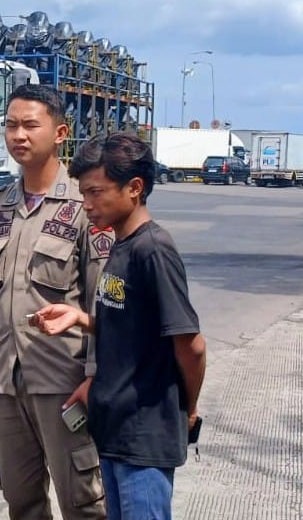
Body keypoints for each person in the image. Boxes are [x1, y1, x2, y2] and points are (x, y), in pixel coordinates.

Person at [32, 133, 207, 520]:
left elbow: (190, 344)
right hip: (113, 429)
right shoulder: (120, 244)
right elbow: (133, 326)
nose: (87, 205)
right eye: (83, 193)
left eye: (96, 192)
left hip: (144, 435)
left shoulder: (153, 250)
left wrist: (187, 410)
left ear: (135, 188)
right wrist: (81, 319)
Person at [0, 84, 109, 519]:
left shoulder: (86, 205)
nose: (18, 135)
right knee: (20, 500)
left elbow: (103, 300)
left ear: (60, 133)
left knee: (82, 501)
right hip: (7, 382)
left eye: (30, 125)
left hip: (64, 381)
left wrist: (97, 374)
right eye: (10, 125)